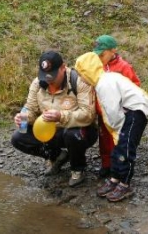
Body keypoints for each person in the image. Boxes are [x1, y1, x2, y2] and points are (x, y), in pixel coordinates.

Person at [74, 52, 148, 202]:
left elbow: (112, 112)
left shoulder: (104, 83)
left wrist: (117, 133)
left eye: (81, 74)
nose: (80, 78)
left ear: (89, 72)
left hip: (136, 112)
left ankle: (125, 184)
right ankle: (114, 178)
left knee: (124, 149)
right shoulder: (103, 79)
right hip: (128, 112)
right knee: (117, 148)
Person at [11, 51, 98, 187]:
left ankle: (78, 169)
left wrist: (61, 116)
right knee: (18, 137)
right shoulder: (37, 84)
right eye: (44, 76)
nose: (48, 80)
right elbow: (30, 109)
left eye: (52, 75)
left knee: (72, 135)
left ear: (63, 67)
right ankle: (57, 156)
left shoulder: (79, 80)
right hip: (51, 131)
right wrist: (24, 117)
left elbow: (88, 115)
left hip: (80, 130)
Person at [93, 34, 141, 178]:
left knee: (118, 140)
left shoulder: (124, 67)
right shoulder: (97, 66)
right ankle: (106, 164)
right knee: (104, 140)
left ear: (113, 51)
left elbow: (135, 86)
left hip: (119, 113)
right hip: (103, 112)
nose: (100, 57)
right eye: (98, 54)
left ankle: (119, 166)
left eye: (102, 54)